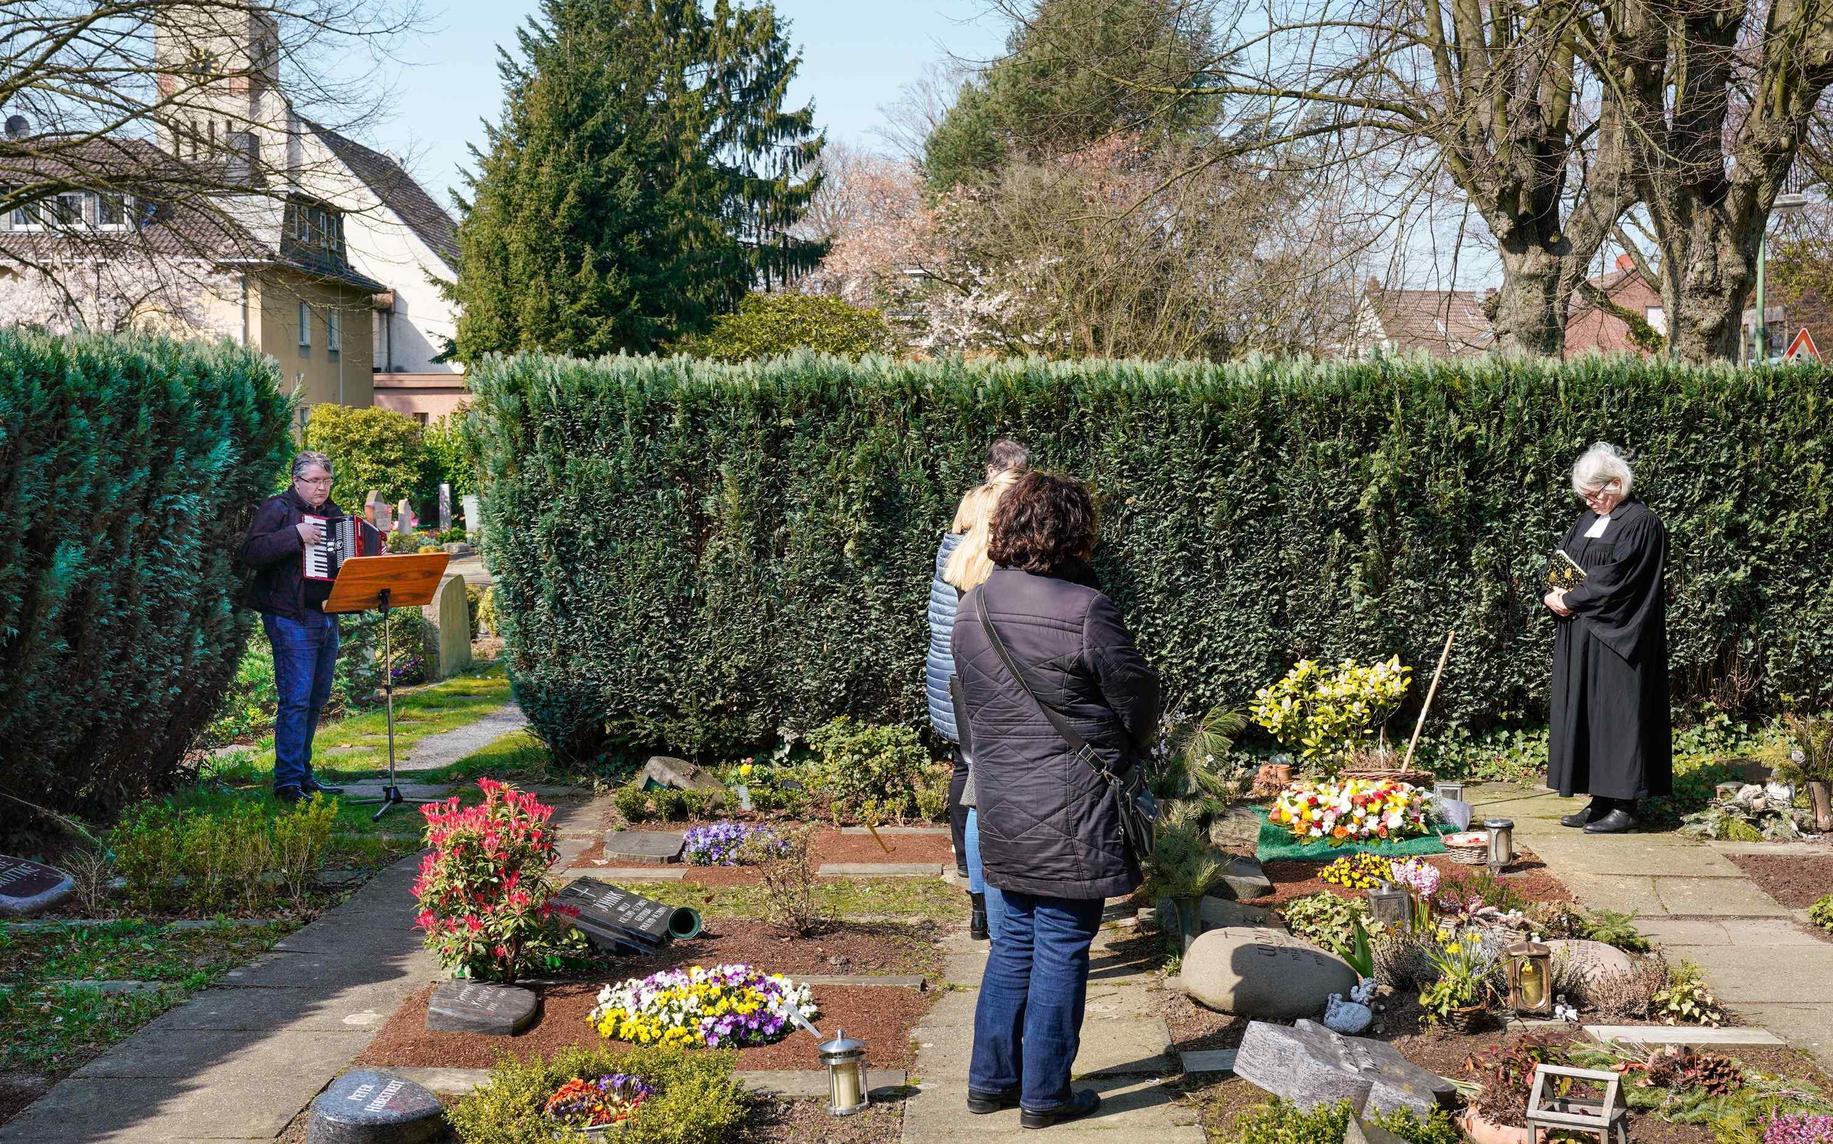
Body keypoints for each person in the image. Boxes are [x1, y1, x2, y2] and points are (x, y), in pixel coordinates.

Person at [952, 471, 1160, 1128]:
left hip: (1001, 802)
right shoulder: (1083, 610)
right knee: (1064, 944)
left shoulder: (972, 605)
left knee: (1011, 941)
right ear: (1073, 536)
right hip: (1077, 805)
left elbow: (969, 707)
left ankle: (989, 1082)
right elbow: (1136, 701)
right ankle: (1045, 1095)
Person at [1543, 442, 1671, 834]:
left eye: (1595, 493)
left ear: (1617, 483)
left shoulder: (1641, 522)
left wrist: (1572, 597)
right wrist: (1551, 593)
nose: (1590, 501)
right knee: (1587, 714)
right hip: (1580, 632)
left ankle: (1625, 805)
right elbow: (1564, 562)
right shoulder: (1585, 521)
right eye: (1585, 495)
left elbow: (1619, 579)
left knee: (1618, 715)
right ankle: (1599, 799)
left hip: (1619, 637)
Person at [927, 441, 1026, 940]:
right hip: (995, 685)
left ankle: (976, 897)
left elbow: (940, 627)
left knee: (965, 772)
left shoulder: (953, 553)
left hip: (953, 679)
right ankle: (1005, 893)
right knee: (1001, 781)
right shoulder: (1008, 560)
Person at [239, 451, 351, 803]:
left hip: (326, 616)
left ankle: (303, 774)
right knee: (296, 700)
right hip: (289, 618)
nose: (321, 487)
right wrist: (295, 535)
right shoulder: (278, 509)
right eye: (314, 481)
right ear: (296, 481)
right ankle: (287, 783)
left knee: (316, 699)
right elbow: (251, 553)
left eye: (326, 480)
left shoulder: (334, 514)